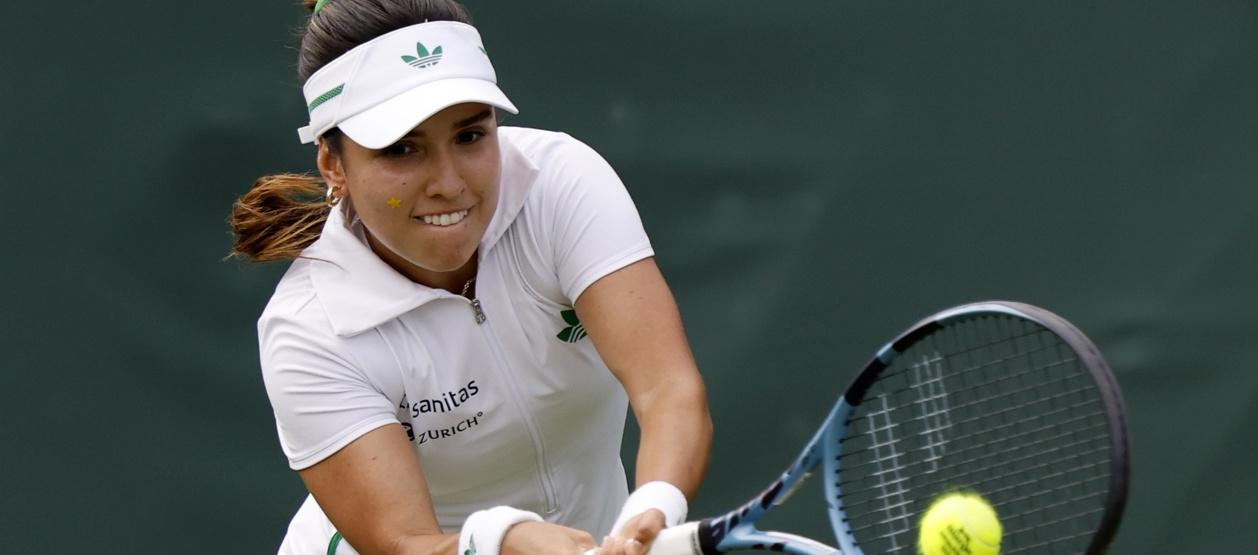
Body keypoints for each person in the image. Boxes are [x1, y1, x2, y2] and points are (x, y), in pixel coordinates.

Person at [228, 1, 712, 554]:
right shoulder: (309, 331)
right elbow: (404, 542)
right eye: (403, 149)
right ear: (334, 165)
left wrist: (652, 508)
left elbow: (668, 389)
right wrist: (500, 539)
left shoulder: (561, 185)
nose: (449, 183)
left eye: (470, 136)